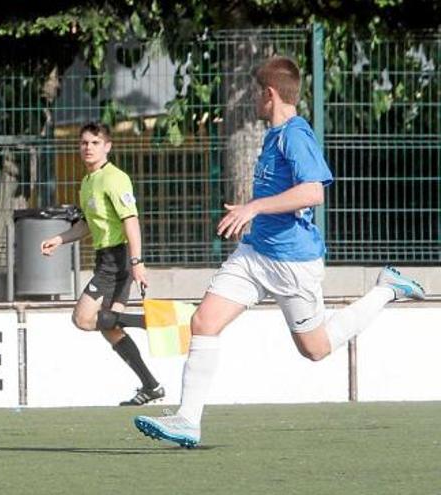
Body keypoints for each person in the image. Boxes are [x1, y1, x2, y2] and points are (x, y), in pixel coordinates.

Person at [133, 56, 425, 448]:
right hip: (254, 255)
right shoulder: (273, 135)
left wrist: (252, 208)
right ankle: (187, 420)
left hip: (292, 263)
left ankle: (387, 288)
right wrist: (252, 213)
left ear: (269, 94)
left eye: (256, 92)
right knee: (203, 323)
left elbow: (313, 192)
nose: (252, 99)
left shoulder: (295, 135)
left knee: (315, 349)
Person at [40, 122, 164, 406]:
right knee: (109, 327)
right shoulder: (87, 182)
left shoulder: (114, 178)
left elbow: (130, 220)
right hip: (106, 258)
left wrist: (137, 262)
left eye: (95, 143)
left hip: (117, 259)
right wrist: (60, 239)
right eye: (84, 143)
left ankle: (148, 322)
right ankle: (151, 386)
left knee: (82, 319)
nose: (88, 148)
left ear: (107, 146)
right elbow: (86, 224)